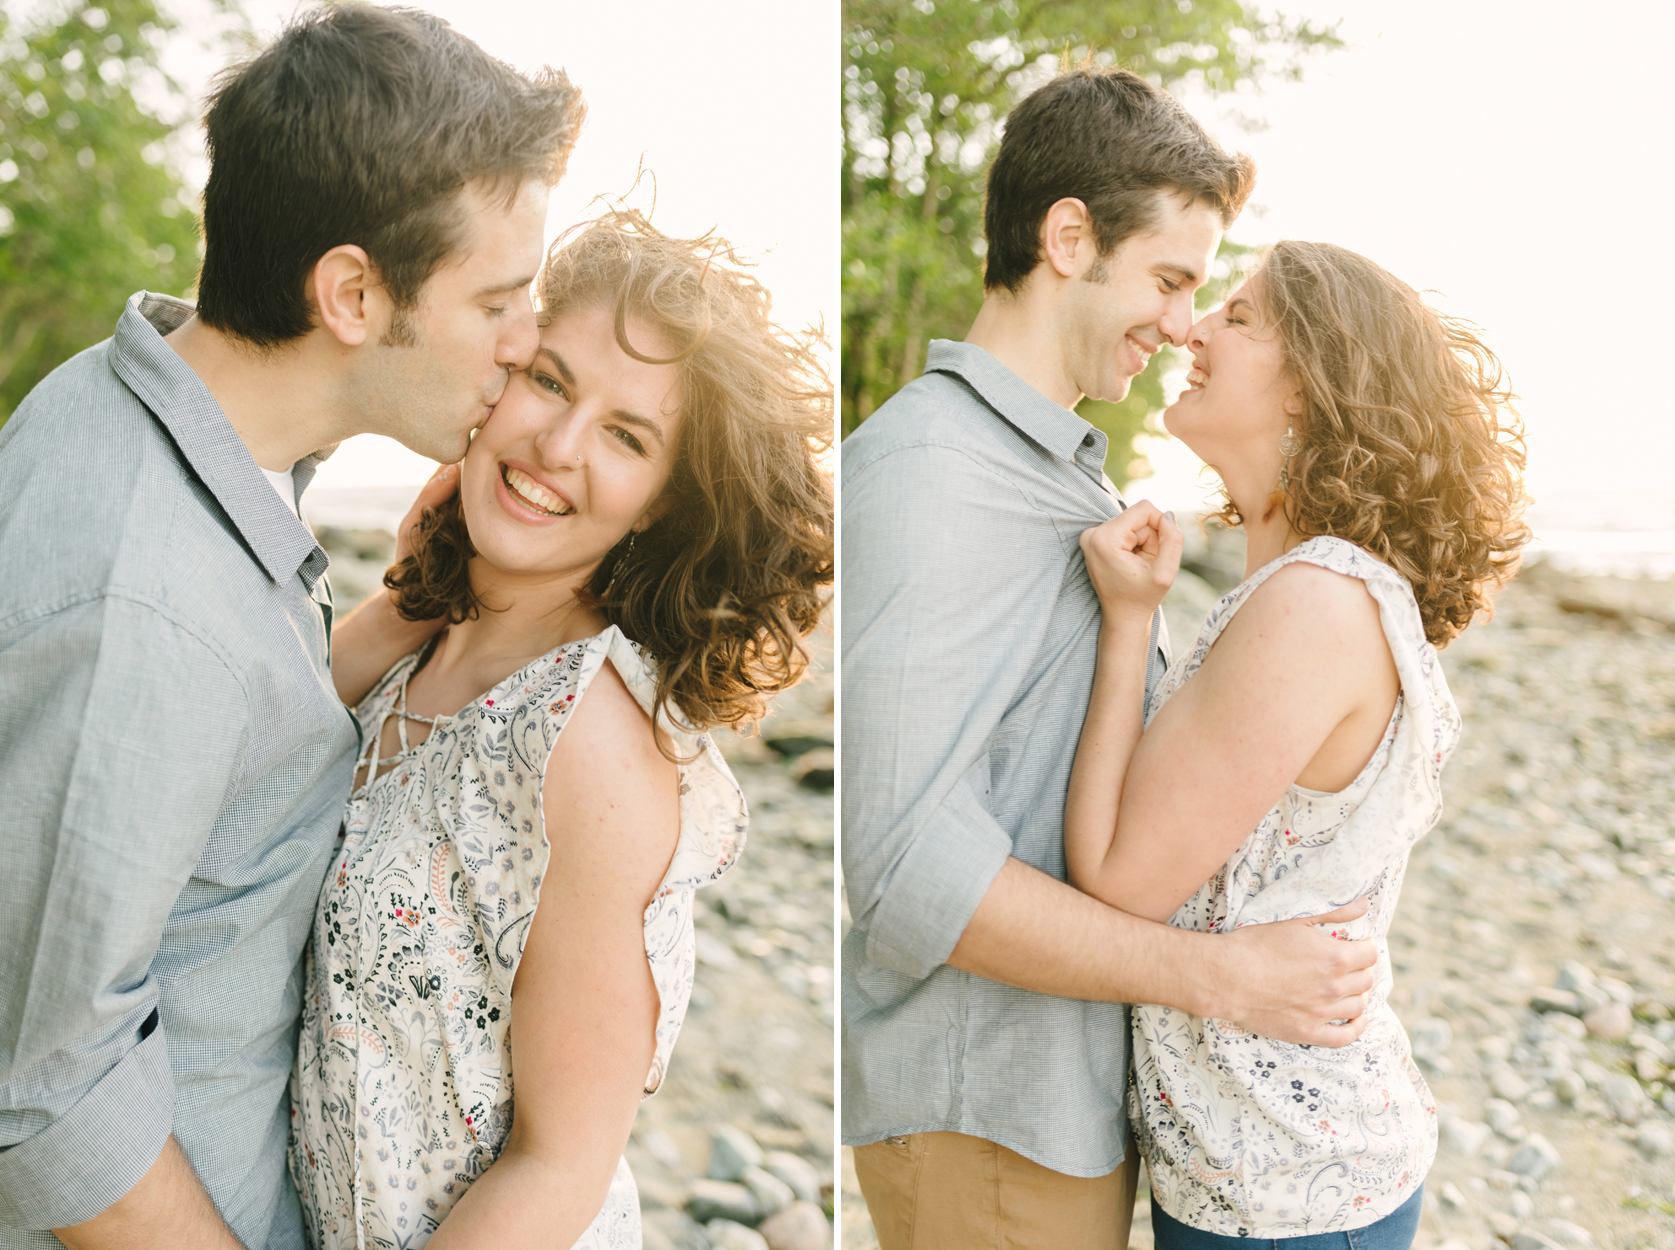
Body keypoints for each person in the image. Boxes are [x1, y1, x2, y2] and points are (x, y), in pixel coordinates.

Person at [0, 9, 579, 1248]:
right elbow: (44, 1083)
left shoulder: (141, 406)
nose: (527, 342)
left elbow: (210, 750)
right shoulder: (143, 597)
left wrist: (417, 599)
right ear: (353, 292)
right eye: (499, 298)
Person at [841, 67, 1381, 1250]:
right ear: (1068, 238)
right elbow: (899, 869)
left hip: (1057, 1113)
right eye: (1172, 279)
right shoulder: (933, 472)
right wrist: (1218, 977)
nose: (1187, 323)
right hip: (984, 1115)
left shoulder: (1053, 476)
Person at [287, 210, 833, 1249]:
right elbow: (266, 743)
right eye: (549, 380)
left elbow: (560, 1163)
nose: (558, 445)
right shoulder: (427, 636)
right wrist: (417, 585)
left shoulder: (586, 743)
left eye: (627, 437)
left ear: (662, 504)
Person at [1064, 241, 1528, 1249]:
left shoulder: (1314, 603)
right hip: (1277, 1172)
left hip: (1287, 1187)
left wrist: (1124, 625)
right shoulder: (1317, 587)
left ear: (1312, 390)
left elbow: (1114, 878)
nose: (1190, 327)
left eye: (1236, 317)